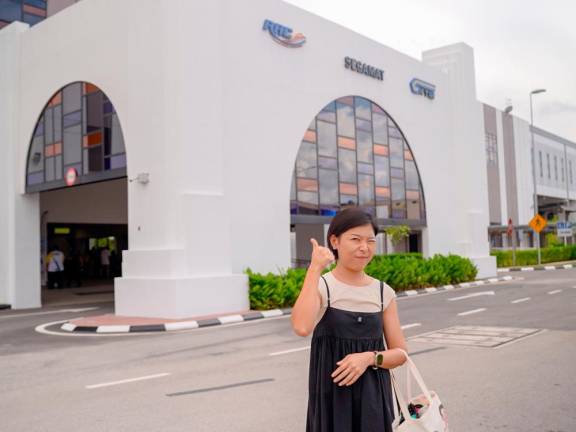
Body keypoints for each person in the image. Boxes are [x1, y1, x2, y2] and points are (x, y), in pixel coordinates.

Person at [291, 207, 408, 432]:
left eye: (370, 241)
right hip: (331, 404)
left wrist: (369, 358)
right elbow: (301, 326)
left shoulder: (383, 292)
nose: (364, 248)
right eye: (355, 239)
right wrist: (315, 268)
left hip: (374, 404)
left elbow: (400, 353)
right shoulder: (324, 286)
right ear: (335, 241)